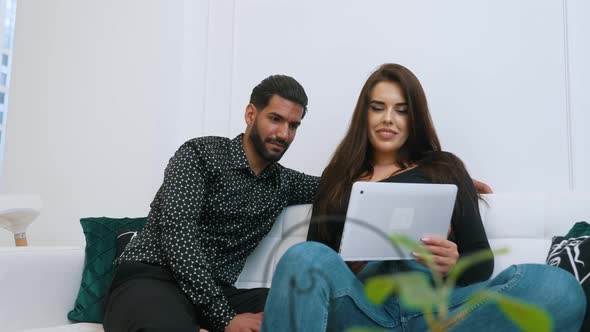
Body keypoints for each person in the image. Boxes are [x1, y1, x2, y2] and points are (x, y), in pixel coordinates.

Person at [261, 64, 586, 331]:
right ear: (365, 115)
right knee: (303, 256)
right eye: (378, 108)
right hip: (363, 309)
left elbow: (481, 261)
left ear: (413, 118)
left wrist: (453, 264)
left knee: (558, 288)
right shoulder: (337, 179)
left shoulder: (445, 169)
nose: (388, 118)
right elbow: (316, 261)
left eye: (401, 110)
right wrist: (351, 264)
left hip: (438, 314)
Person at [102, 75, 320, 332]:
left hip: (218, 292)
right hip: (154, 279)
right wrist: (225, 318)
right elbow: (178, 237)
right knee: (158, 323)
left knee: (301, 305)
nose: (284, 133)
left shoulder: (284, 182)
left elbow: (338, 186)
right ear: (251, 114)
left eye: (293, 125)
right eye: (275, 119)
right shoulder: (199, 155)